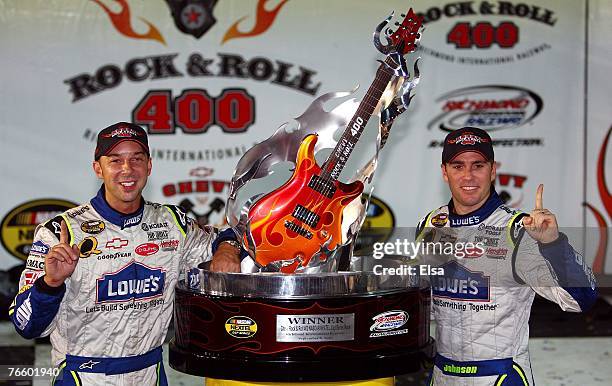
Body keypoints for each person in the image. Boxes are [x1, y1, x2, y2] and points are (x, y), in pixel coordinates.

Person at [8, 122, 243, 385]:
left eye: (136, 159)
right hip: (83, 376)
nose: (127, 170)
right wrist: (50, 284)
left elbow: (230, 237)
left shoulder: (172, 224)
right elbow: (25, 325)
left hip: (150, 374)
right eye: (115, 160)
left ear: (149, 166)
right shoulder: (60, 232)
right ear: (98, 168)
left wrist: (228, 249)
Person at [415, 127, 597, 385]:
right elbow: (426, 303)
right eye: (458, 166)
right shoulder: (432, 224)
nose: (468, 175)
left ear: (493, 170)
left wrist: (553, 245)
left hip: (500, 376)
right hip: (443, 374)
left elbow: (581, 300)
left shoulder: (518, 231)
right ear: (445, 172)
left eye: (478, 165)